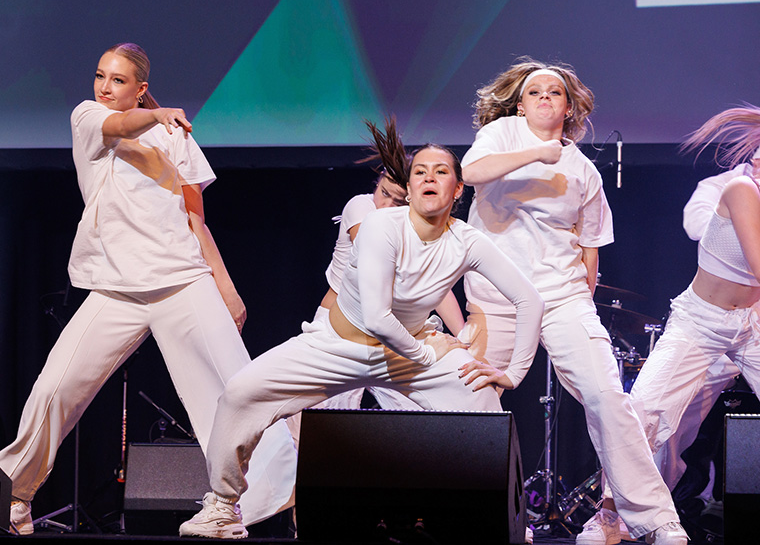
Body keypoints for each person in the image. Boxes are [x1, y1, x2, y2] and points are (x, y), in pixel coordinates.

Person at [0, 43, 297, 535]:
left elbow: (195, 218)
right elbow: (121, 126)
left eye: (117, 80)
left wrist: (226, 286)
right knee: (55, 389)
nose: (104, 87)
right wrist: (157, 115)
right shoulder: (89, 117)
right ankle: (14, 498)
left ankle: (232, 506)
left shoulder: (175, 137)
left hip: (183, 281)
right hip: (115, 289)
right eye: (100, 75)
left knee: (234, 389)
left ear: (140, 88)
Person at [179, 144, 544, 539]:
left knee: (481, 398)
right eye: (420, 171)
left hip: (405, 355)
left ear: (458, 189)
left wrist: (514, 374)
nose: (429, 177)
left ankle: (502, 519)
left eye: (441, 171)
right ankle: (222, 507)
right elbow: (377, 317)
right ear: (410, 186)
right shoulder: (381, 225)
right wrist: (427, 353)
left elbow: (530, 300)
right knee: (239, 394)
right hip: (337, 345)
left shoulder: (468, 242)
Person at [459, 59, 687, 545]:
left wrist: (581, 302)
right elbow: (471, 171)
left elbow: (590, 249)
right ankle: (489, 519)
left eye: (555, 92)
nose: (545, 97)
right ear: (520, 105)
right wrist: (537, 153)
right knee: (470, 397)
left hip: (561, 297)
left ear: (569, 108)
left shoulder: (583, 169)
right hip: (495, 299)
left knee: (607, 396)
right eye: (534, 91)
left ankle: (653, 519)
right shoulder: (500, 135)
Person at [628, 107, 760, 515]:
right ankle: (616, 513)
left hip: (751, 323)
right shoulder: (738, 187)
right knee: (648, 413)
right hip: (701, 321)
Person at [308, 117, 466, 414]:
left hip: (392, 336)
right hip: (338, 332)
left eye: (398, 201)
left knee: (426, 416)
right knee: (322, 424)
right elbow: (380, 262)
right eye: (383, 193)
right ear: (377, 184)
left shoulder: (417, 228)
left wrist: (464, 337)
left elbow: (435, 288)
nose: (386, 205)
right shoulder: (361, 207)